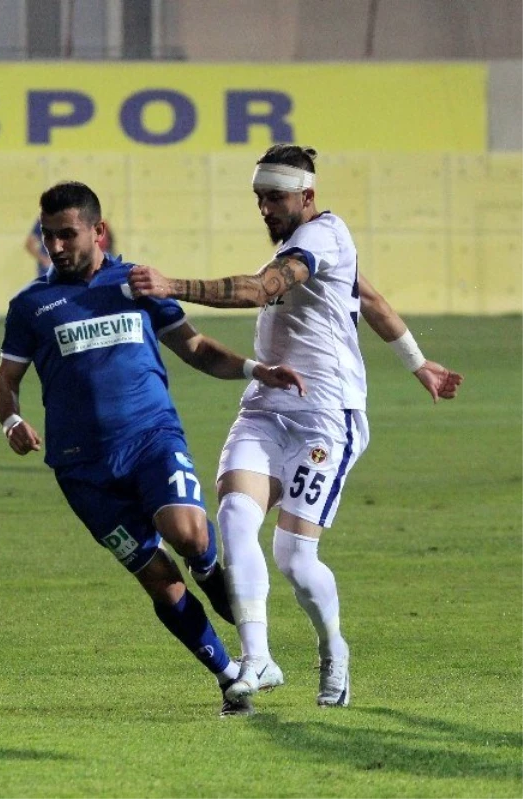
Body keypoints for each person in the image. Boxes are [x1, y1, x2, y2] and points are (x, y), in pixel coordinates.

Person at [128, 144, 464, 710]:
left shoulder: (320, 238)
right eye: (259, 198)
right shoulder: (303, 243)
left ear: (307, 197)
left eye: (275, 198)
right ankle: (256, 658)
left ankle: (334, 648)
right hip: (266, 404)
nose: (265, 208)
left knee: (294, 558)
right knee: (235, 515)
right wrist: (416, 361)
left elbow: (263, 289)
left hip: (326, 419)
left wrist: (173, 285)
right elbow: (371, 297)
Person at [0, 181, 307, 717]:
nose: (57, 247)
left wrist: (257, 371)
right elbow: (5, 383)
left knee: (186, 533)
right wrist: (12, 421)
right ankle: (230, 676)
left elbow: (196, 348)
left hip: (150, 439)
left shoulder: (137, 283)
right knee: (157, 579)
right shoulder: (31, 306)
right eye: (48, 237)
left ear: (98, 231)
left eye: (67, 235)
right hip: (81, 470)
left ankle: (208, 570)